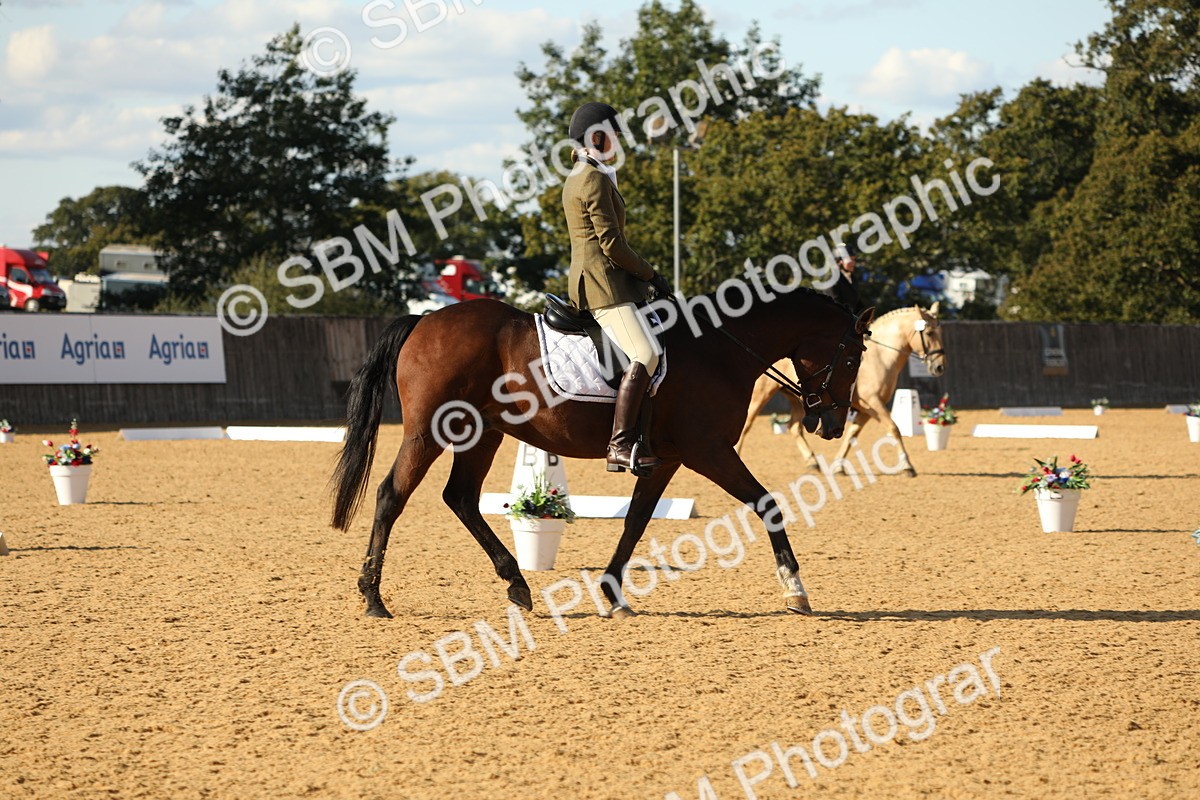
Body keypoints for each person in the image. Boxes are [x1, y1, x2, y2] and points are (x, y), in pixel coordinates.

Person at [562, 101, 672, 475]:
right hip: (603, 285)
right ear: (596, 137)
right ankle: (620, 445)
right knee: (646, 354)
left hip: (607, 280)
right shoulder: (591, 178)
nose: (618, 144)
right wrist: (650, 274)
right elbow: (611, 244)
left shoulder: (586, 173)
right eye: (613, 137)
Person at [830, 240, 866, 314]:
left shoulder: (853, 279)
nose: (853, 263)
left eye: (853, 259)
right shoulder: (832, 281)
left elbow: (858, 304)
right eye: (849, 259)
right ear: (839, 261)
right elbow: (834, 307)